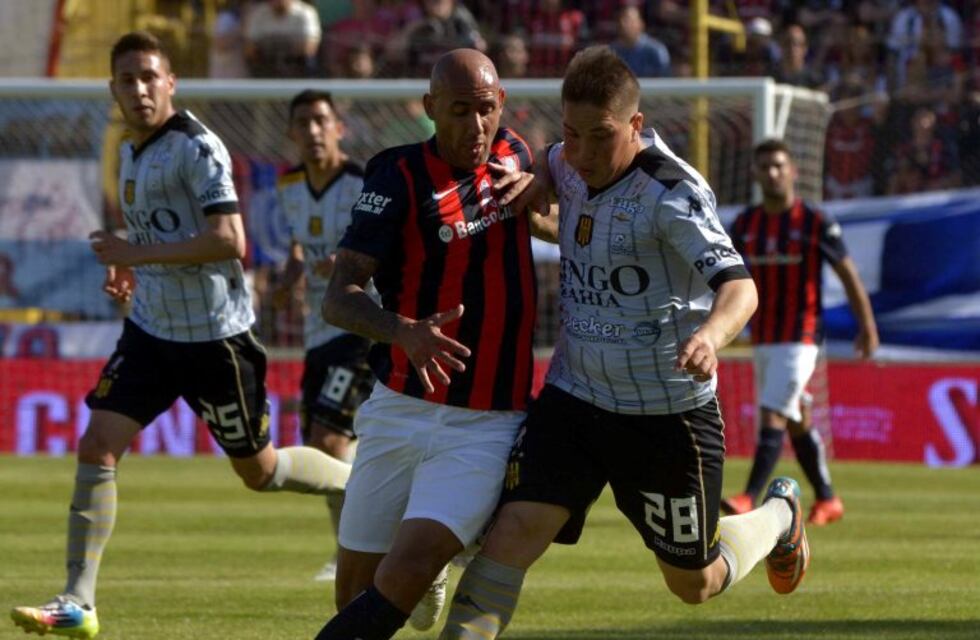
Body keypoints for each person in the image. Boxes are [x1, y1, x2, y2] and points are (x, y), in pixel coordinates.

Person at [438, 46, 810, 640]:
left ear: (635, 126)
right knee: (511, 536)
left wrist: (711, 337)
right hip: (575, 399)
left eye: (599, 136)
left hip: (664, 414)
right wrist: (535, 201)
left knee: (695, 583)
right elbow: (584, 227)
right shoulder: (565, 162)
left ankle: (780, 515)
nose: (580, 153)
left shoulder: (675, 193)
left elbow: (740, 287)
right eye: (570, 133)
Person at [10, 32, 351, 640]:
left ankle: (362, 484)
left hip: (216, 339)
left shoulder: (198, 147)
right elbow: (145, 227)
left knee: (260, 471)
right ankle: (78, 601)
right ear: (113, 89)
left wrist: (136, 251)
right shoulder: (131, 152)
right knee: (97, 446)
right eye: (127, 80)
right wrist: (127, 264)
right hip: (151, 332)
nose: (139, 89)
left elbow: (231, 241)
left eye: (149, 77)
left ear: (170, 83)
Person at [312, 48, 539, 640]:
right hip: (398, 407)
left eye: (486, 110)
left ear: (502, 106)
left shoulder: (518, 156)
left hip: (484, 422)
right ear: (430, 108)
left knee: (407, 566)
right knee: (353, 594)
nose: (476, 125)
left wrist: (537, 188)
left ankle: (437, 555)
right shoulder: (395, 177)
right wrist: (403, 331)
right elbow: (339, 297)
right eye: (459, 111)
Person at [722, 139, 879, 525]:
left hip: (802, 336)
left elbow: (848, 273)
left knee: (773, 412)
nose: (772, 173)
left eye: (779, 165)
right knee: (796, 419)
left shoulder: (815, 221)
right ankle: (828, 499)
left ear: (793, 171)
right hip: (763, 337)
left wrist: (867, 326)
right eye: (765, 167)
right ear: (755, 174)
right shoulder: (745, 224)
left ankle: (748, 495)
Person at [271, 89, 375, 582]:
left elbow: (394, 248)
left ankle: (367, 543)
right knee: (330, 449)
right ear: (291, 133)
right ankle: (350, 552)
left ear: (339, 127)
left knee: (325, 443)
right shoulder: (289, 183)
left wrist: (352, 263)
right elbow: (299, 241)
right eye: (303, 123)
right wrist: (289, 278)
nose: (313, 131)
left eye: (321, 121)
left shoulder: (363, 184)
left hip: (361, 328)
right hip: (317, 332)